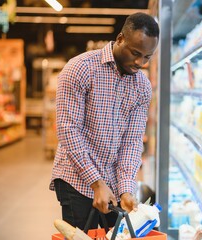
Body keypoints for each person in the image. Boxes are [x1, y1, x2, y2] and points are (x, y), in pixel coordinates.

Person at [49, 12, 159, 231]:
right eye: (135, 53)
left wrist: (126, 189)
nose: (140, 62)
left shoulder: (142, 87)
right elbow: (68, 130)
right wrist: (95, 181)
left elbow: (132, 142)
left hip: (114, 183)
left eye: (147, 57)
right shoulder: (80, 68)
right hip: (76, 178)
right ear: (120, 39)